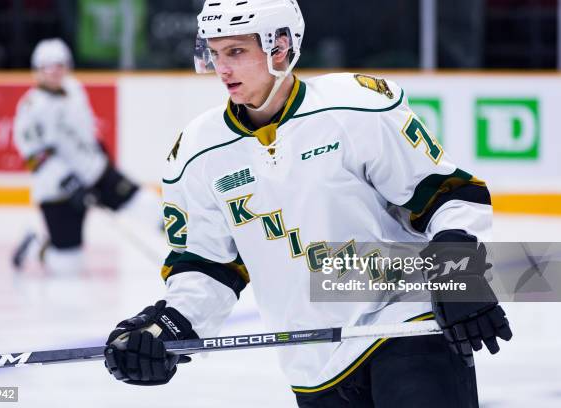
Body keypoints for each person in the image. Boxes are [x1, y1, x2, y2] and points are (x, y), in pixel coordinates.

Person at [103, 1, 512, 407]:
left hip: (406, 328)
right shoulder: (197, 152)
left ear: (280, 46)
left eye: (236, 52)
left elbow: (449, 195)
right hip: (311, 362)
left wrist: (459, 273)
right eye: (214, 52)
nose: (221, 68)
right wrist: (166, 327)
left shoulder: (356, 108)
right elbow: (207, 266)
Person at [12, 38, 161, 276]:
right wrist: (69, 182)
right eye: (47, 67)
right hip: (58, 192)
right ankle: (36, 246)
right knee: (68, 266)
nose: (54, 72)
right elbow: (35, 157)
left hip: (95, 171)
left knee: (145, 203)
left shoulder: (74, 88)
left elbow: (85, 129)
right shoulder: (30, 109)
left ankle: (185, 242)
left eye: (59, 65)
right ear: (37, 70)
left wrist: (100, 151)